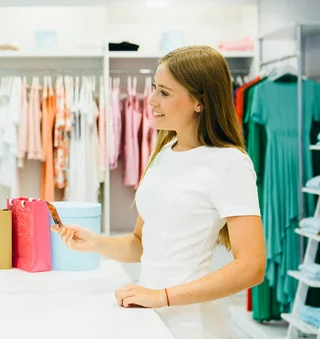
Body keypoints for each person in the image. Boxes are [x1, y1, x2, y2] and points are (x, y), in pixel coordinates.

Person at [51, 45, 266, 339]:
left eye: (164, 93)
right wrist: (94, 243)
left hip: (191, 324)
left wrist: (161, 296)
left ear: (199, 102)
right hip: (148, 313)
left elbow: (252, 266)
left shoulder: (230, 164)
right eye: (154, 88)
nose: (151, 100)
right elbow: (141, 244)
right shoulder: (164, 153)